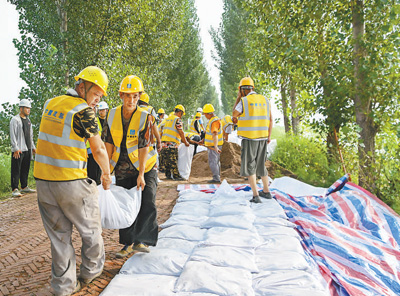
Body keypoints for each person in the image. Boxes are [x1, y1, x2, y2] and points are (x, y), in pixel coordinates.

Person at [34, 66, 112, 296]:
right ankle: (91, 272)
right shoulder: (83, 111)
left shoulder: (50, 103)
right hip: (71, 183)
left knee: (59, 238)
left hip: (43, 183)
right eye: (96, 94)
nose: (97, 100)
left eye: (100, 97)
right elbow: (98, 149)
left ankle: (64, 286)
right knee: (91, 230)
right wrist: (106, 175)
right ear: (82, 87)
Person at [103, 75, 158, 257]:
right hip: (122, 168)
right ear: (121, 95)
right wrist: (106, 171)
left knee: (147, 199)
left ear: (139, 96)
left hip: (145, 166)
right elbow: (108, 143)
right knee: (124, 204)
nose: (131, 100)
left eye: (135, 96)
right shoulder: (111, 115)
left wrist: (141, 174)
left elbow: (144, 146)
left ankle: (141, 240)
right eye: (127, 96)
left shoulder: (145, 116)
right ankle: (127, 243)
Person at [232, 77, 273, 203]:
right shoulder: (265, 100)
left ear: (241, 89)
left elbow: (234, 114)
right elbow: (271, 119)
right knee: (261, 164)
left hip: (250, 138)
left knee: (251, 166)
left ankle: (256, 196)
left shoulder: (244, 101)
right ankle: (266, 191)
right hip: (263, 137)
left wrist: (238, 98)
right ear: (252, 88)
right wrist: (269, 136)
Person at [10, 99, 37, 197]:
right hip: (19, 149)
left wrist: (33, 147)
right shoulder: (15, 120)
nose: (28, 110)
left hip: (27, 148)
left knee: (25, 168)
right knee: (16, 169)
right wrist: (15, 148)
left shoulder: (28, 121)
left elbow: (30, 136)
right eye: (27, 108)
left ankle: (24, 187)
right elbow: (12, 135)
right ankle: (15, 189)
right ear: (21, 108)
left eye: (29, 108)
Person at [160, 105, 189, 180]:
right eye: (182, 114)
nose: (182, 116)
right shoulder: (177, 120)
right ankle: (176, 176)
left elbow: (160, 129)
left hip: (164, 142)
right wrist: (185, 142)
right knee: (173, 160)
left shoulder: (167, 119)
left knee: (166, 160)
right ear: (180, 112)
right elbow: (181, 132)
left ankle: (168, 175)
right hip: (172, 143)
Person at [202, 104, 223, 184]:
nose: (205, 116)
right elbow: (209, 133)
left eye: (205, 114)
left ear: (208, 113)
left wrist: (215, 146)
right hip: (214, 145)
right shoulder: (214, 120)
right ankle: (217, 176)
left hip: (213, 146)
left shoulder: (214, 121)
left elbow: (215, 134)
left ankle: (216, 178)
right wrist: (203, 140)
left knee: (213, 162)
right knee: (216, 161)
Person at [86, 105, 103, 185]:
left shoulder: (95, 119)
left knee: (95, 174)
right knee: (90, 175)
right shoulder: (87, 118)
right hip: (88, 151)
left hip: (94, 150)